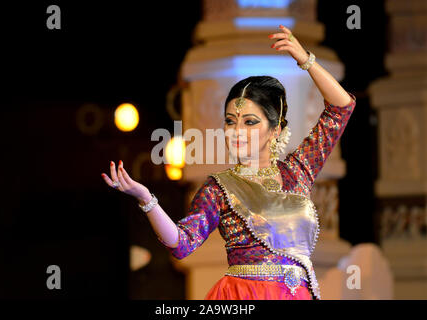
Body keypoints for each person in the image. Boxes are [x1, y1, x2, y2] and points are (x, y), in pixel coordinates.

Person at [101, 25, 356, 300]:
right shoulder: (219, 189)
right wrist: (146, 200)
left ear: (276, 130)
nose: (237, 131)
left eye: (249, 122)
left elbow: (341, 108)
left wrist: (305, 59)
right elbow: (181, 243)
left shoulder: (298, 171)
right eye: (230, 122)